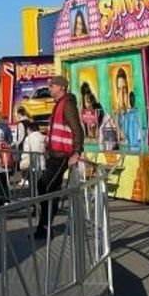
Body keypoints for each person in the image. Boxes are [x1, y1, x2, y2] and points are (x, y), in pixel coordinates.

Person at [35, 75, 84, 235]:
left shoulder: (67, 105)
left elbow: (77, 130)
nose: (49, 89)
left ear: (60, 87)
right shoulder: (60, 104)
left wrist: (77, 152)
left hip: (61, 155)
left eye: (51, 86)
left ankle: (44, 225)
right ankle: (44, 227)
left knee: (44, 186)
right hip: (55, 154)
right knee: (51, 189)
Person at [114, 69, 144, 151]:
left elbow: (139, 139)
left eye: (124, 89)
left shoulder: (135, 114)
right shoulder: (118, 116)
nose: (122, 94)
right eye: (119, 90)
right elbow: (120, 139)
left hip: (135, 152)